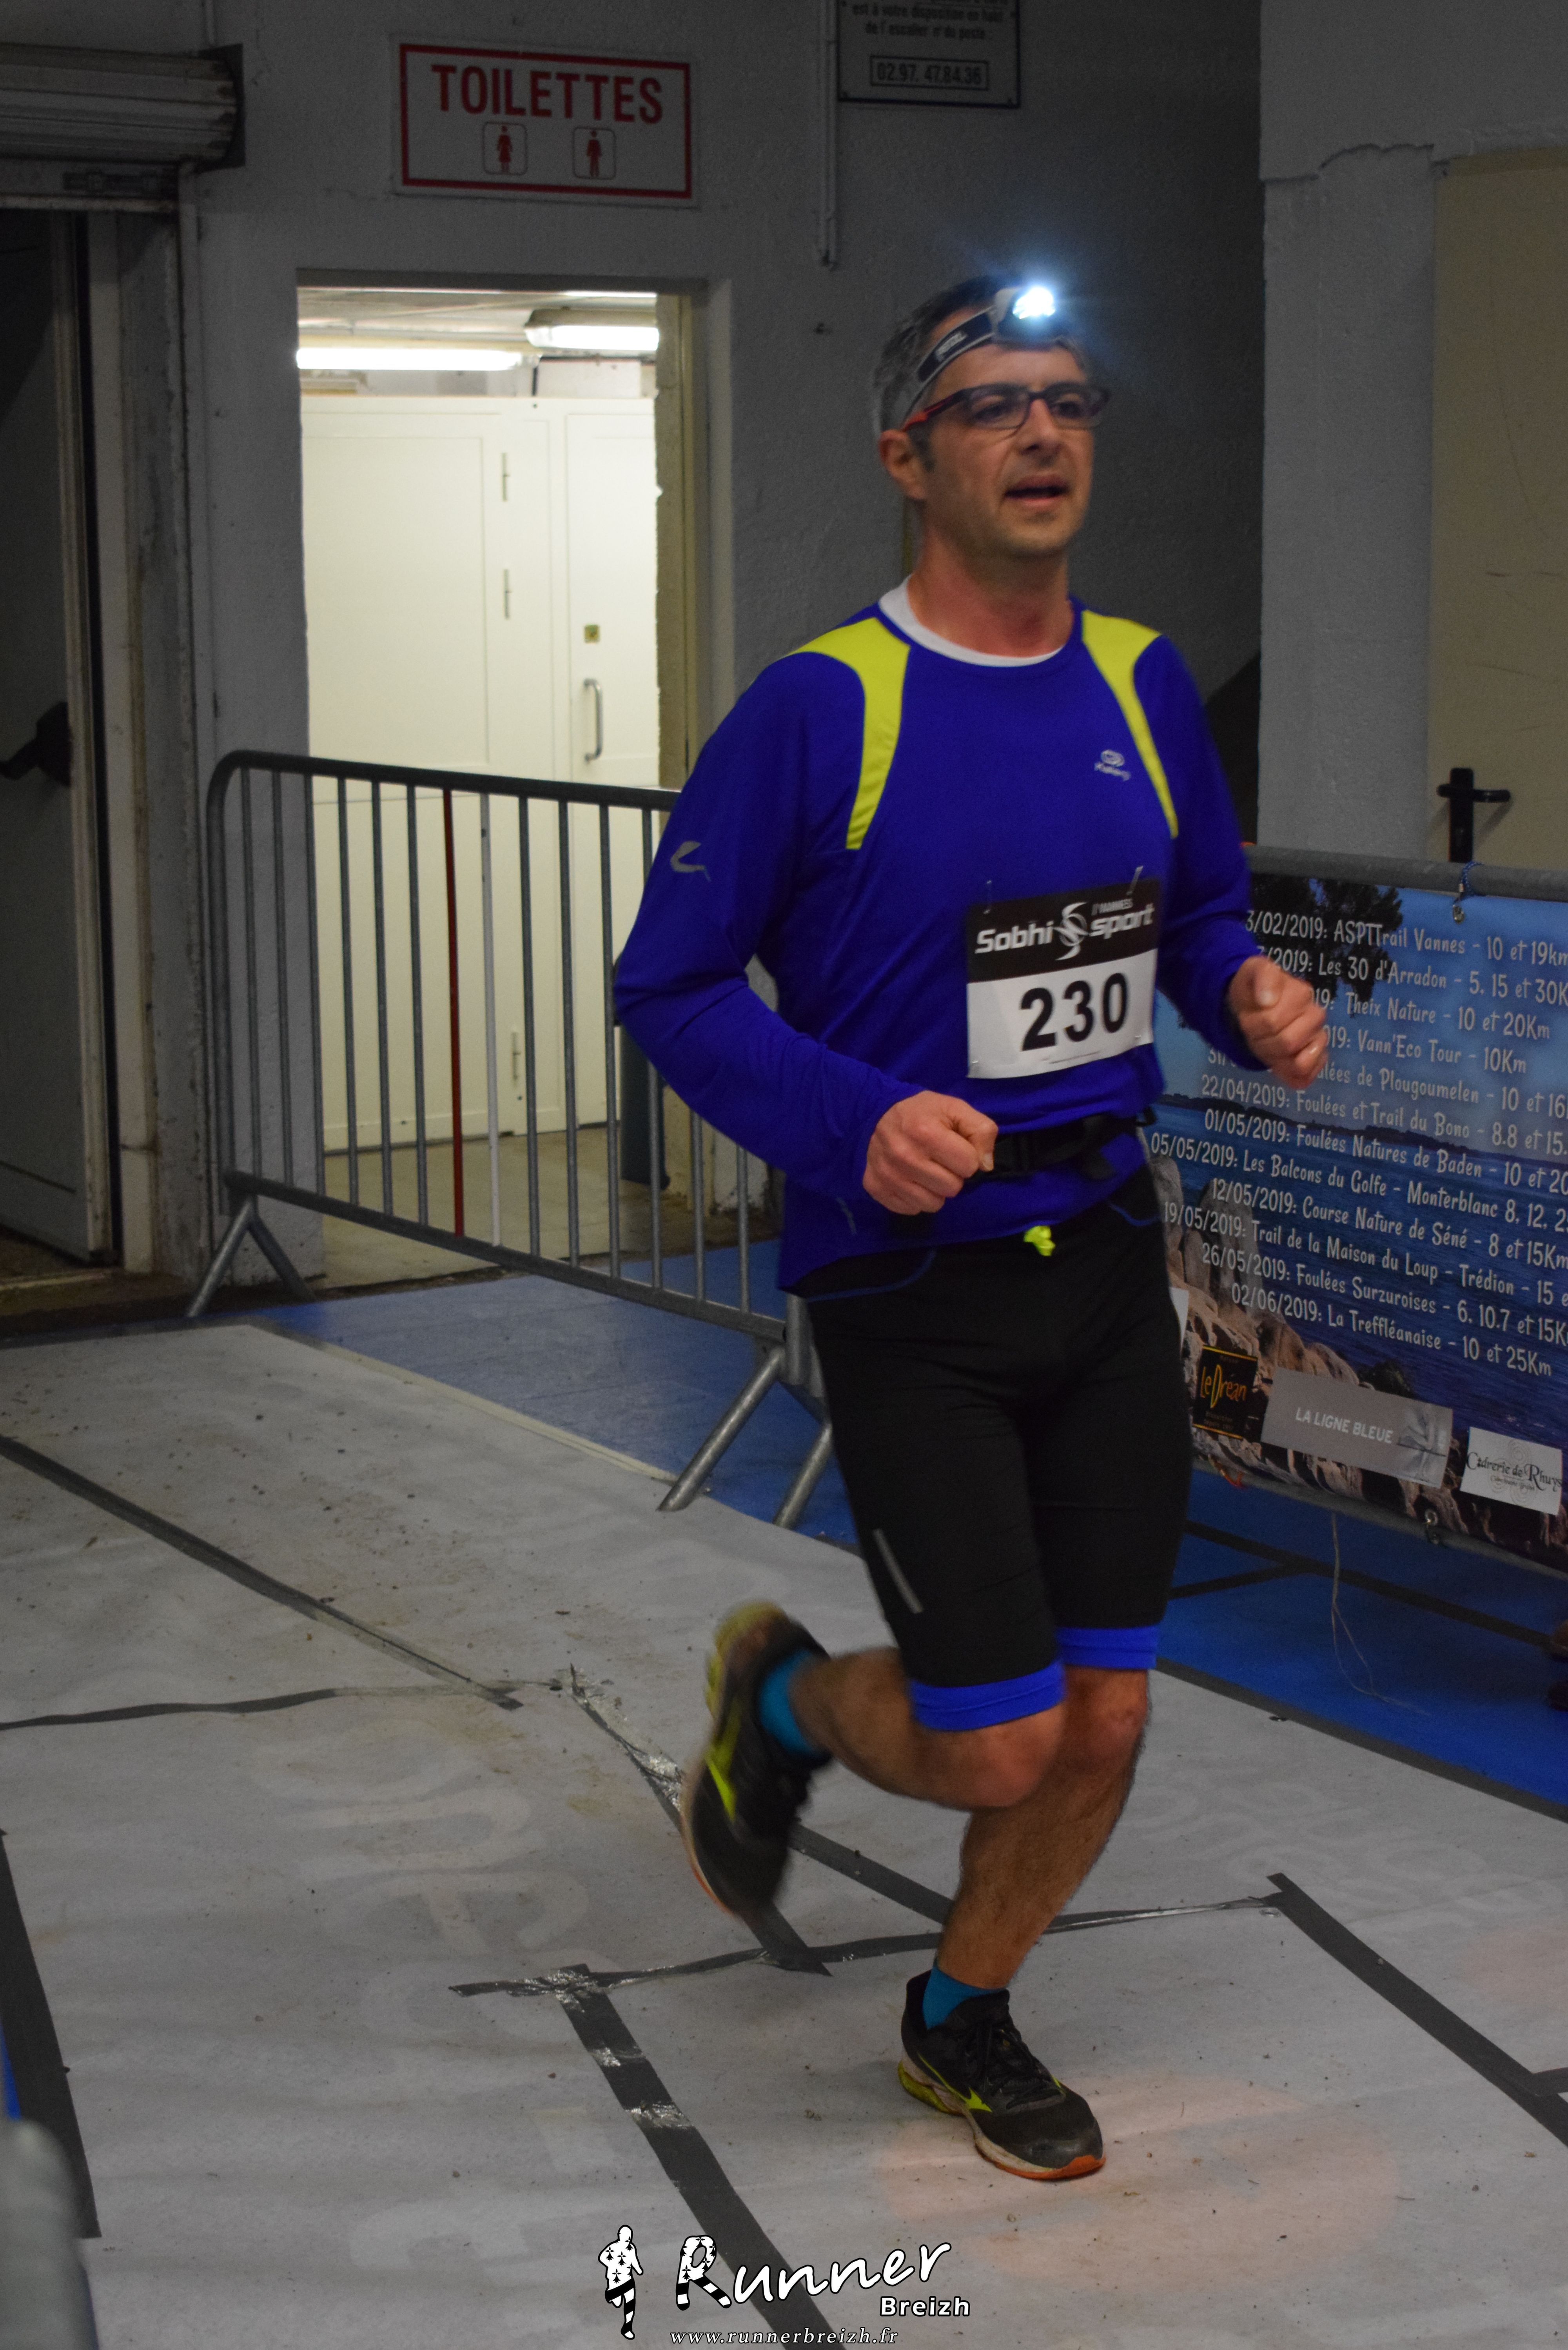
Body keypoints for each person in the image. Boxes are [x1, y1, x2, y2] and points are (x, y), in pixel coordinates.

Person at [615, 275, 1326, 2183]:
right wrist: (854, 1118)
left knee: (1106, 1707)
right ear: (905, 457)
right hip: (908, 1278)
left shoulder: (1140, 682)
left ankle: (960, 2011)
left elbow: (1194, 914)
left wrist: (1246, 988)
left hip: (1098, 1247)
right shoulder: (821, 706)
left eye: (1069, 402)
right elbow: (668, 982)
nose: (1040, 433)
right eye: (994, 404)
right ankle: (781, 1697)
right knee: (1004, 1737)